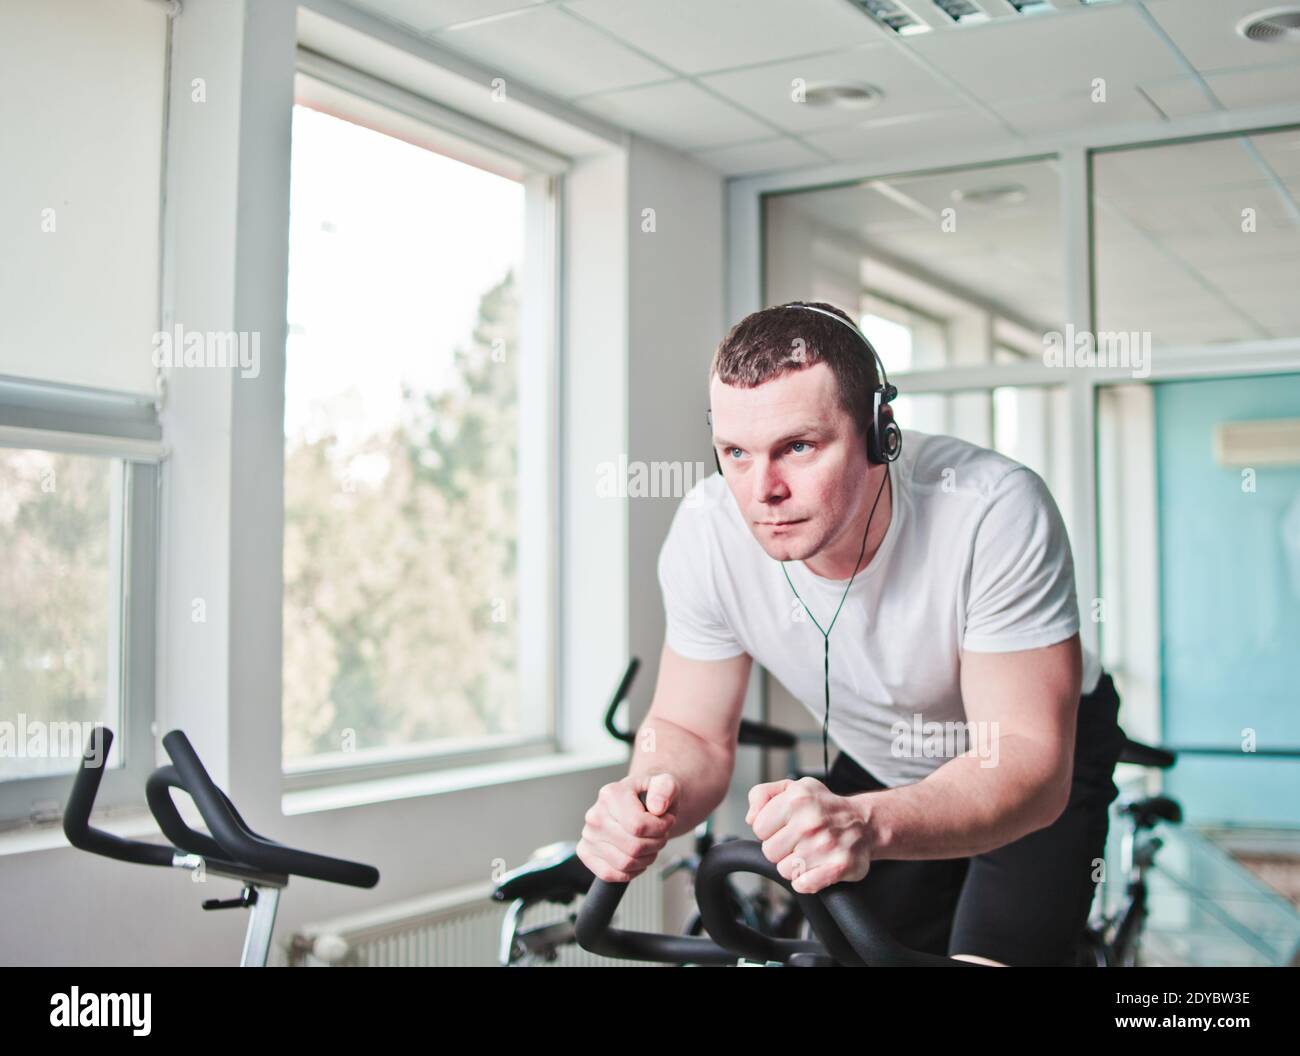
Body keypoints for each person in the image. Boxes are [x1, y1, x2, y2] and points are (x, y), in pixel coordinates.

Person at [576, 300, 1127, 967]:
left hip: (1033, 757)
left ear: (879, 434)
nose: (761, 491)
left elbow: (1022, 758)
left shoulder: (991, 509)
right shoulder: (707, 533)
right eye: (736, 454)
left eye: (798, 447)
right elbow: (689, 732)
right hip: (885, 754)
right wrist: (649, 793)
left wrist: (866, 823)